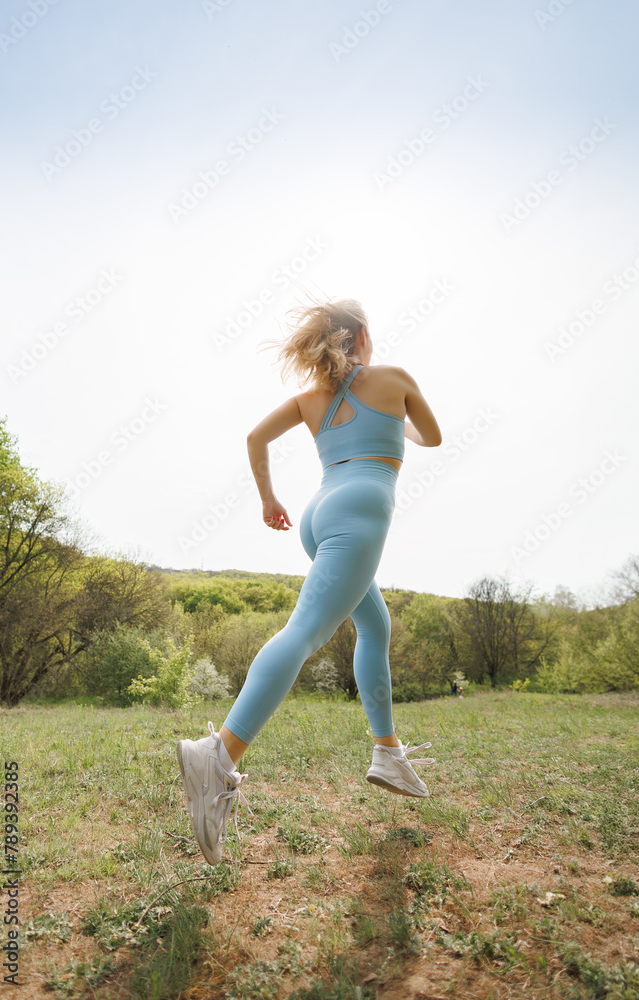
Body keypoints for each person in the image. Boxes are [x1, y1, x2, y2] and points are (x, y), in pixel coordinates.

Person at [177, 297, 443, 866]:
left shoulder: (309, 399)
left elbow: (255, 438)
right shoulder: (394, 378)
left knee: (375, 623)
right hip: (363, 507)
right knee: (304, 632)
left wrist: (269, 499)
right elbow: (433, 436)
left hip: (319, 511)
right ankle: (218, 756)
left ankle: (387, 749)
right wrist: (397, 423)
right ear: (364, 335)